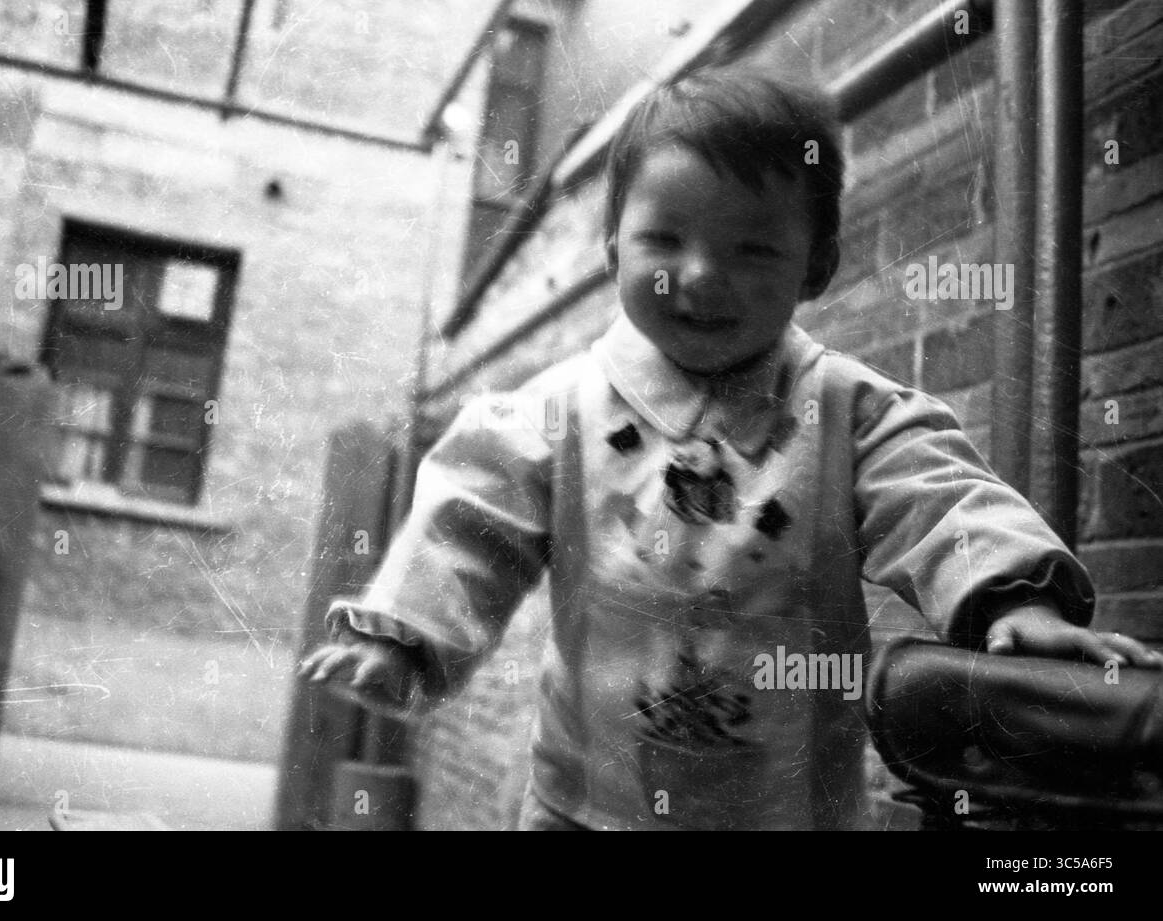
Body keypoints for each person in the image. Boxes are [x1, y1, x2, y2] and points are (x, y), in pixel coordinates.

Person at [297, 64, 1162, 830]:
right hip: (584, 803)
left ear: (814, 267)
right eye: (664, 241)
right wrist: (404, 633)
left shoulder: (847, 413)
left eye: (753, 249)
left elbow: (941, 498)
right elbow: (468, 514)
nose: (701, 275)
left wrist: (1016, 605)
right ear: (610, 252)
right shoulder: (555, 410)